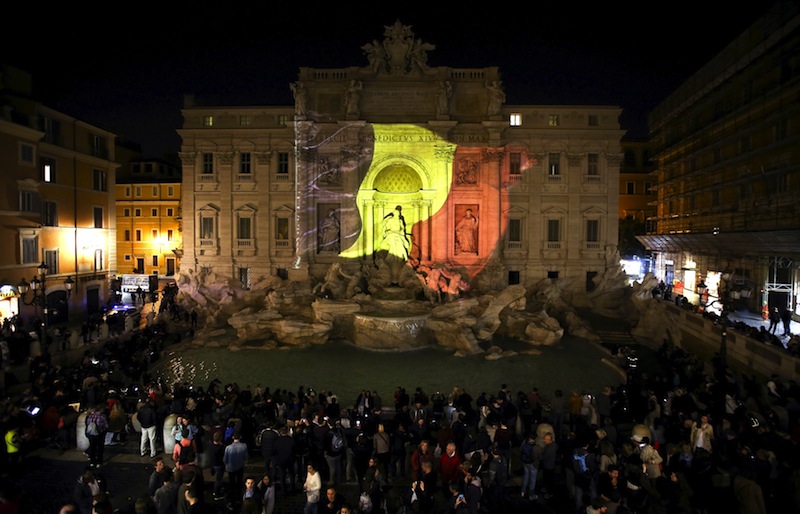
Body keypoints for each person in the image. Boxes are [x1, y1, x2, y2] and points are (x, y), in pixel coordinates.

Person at [224, 433, 249, 502]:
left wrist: (226, 464)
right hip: (240, 466)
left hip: (231, 467)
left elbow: (225, 459)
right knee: (239, 480)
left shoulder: (228, 447)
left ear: (233, 437)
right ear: (240, 437)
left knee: (231, 481)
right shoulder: (244, 446)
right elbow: (246, 456)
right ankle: (239, 494)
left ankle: (232, 495)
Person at [84, 404, 109, 468]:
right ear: (101, 410)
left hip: (91, 434)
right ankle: (99, 462)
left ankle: (92, 462)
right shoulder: (102, 417)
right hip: (100, 434)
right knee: (100, 448)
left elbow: (87, 424)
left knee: (92, 447)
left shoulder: (90, 416)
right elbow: (106, 426)